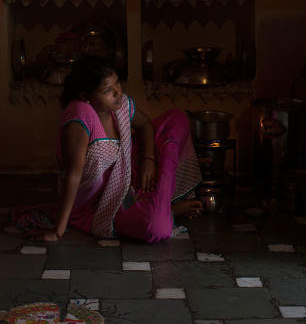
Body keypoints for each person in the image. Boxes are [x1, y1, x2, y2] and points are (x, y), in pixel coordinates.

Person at [28, 56, 202, 243]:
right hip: (101, 204)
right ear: (86, 96)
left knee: (177, 119)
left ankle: (161, 203)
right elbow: (73, 176)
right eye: (108, 90)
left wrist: (148, 160)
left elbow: (145, 125)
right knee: (155, 227)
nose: (118, 92)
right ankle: (165, 209)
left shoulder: (120, 105)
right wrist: (57, 232)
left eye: (117, 82)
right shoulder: (80, 117)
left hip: (129, 175)